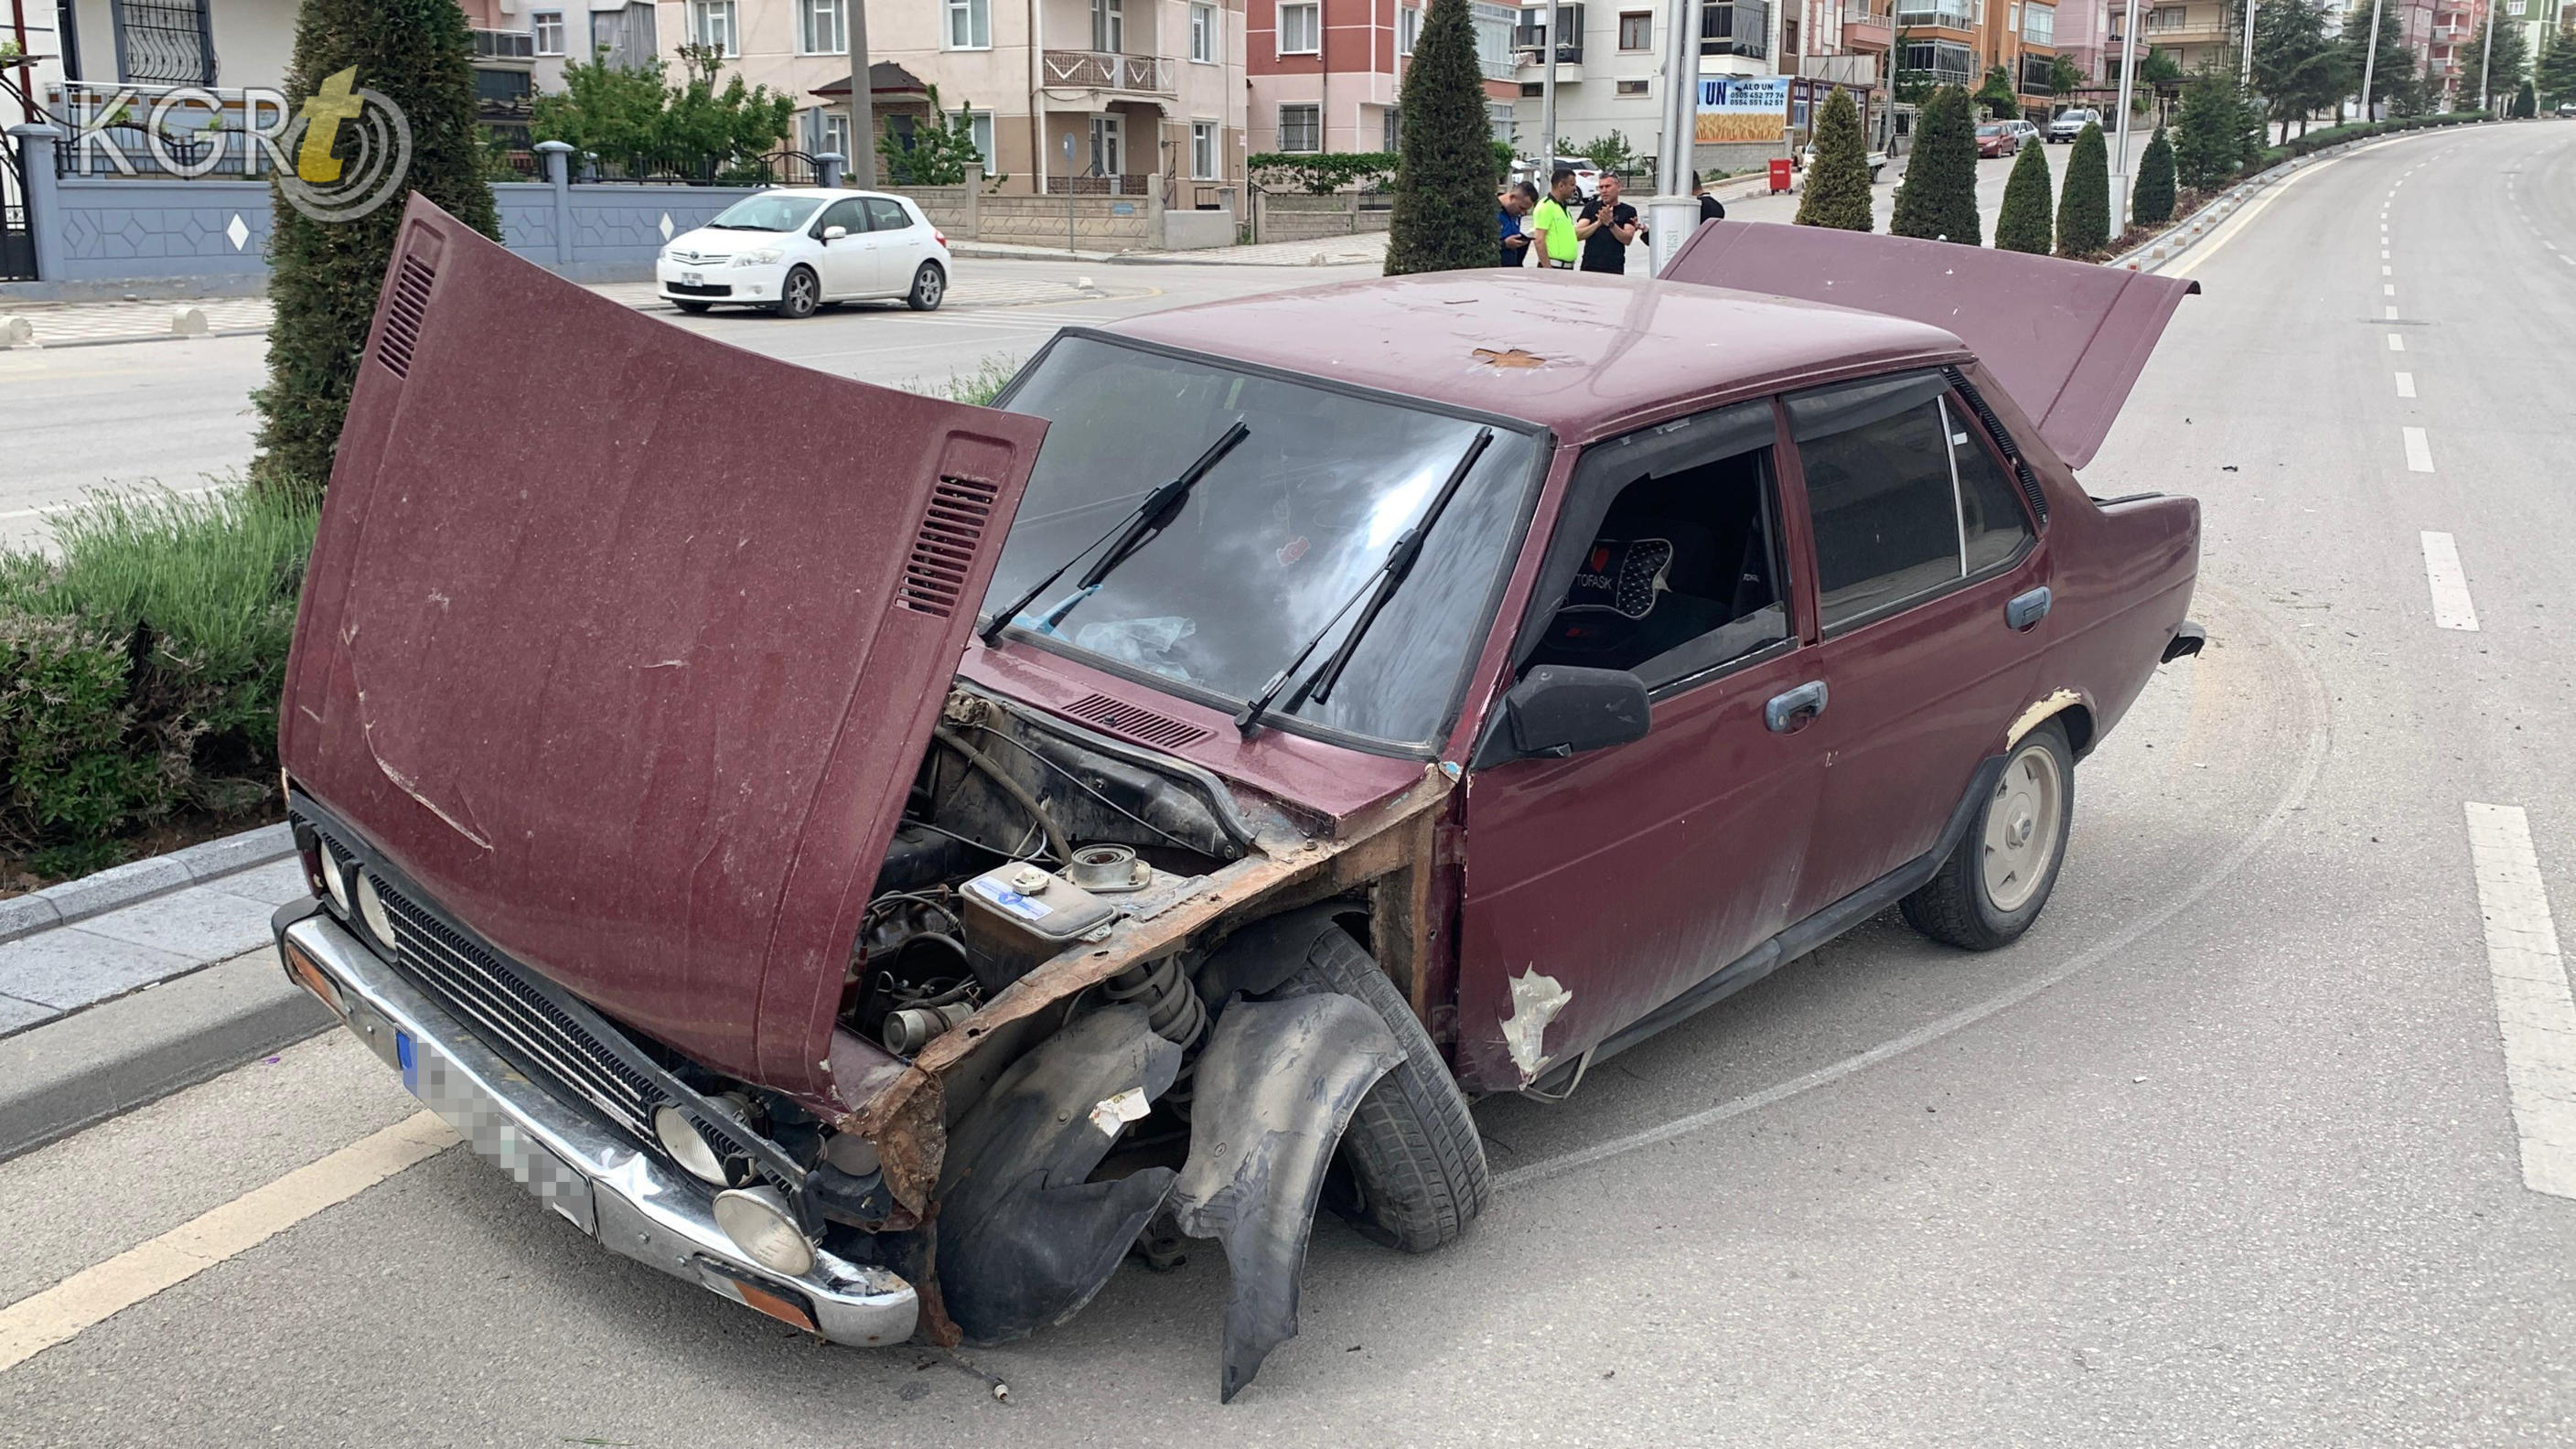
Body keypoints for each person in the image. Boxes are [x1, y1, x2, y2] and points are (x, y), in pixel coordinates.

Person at [1575, 173, 1643, 274]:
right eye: (1601, 187)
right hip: (1589, 267)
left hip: (1614, 268)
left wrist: (1610, 224)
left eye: (1607, 186)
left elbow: (1627, 239)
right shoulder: (1591, 207)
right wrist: (1598, 224)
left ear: (1619, 187)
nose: (1604, 190)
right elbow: (1577, 234)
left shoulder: (1628, 210)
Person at [1530, 168, 1582, 271]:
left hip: (1567, 268)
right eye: (1572, 185)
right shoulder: (1546, 206)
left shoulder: (1563, 207)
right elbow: (1539, 240)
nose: (1575, 188)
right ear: (1561, 186)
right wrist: (1548, 269)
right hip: (1554, 268)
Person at [1497, 182, 1538, 268]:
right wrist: (1504, 244)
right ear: (1512, 197)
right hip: (1493, 270)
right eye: (1521, 208)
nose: (1522, 213)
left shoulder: (1515, 214)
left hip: (1512, 267)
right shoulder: (1490, 211)